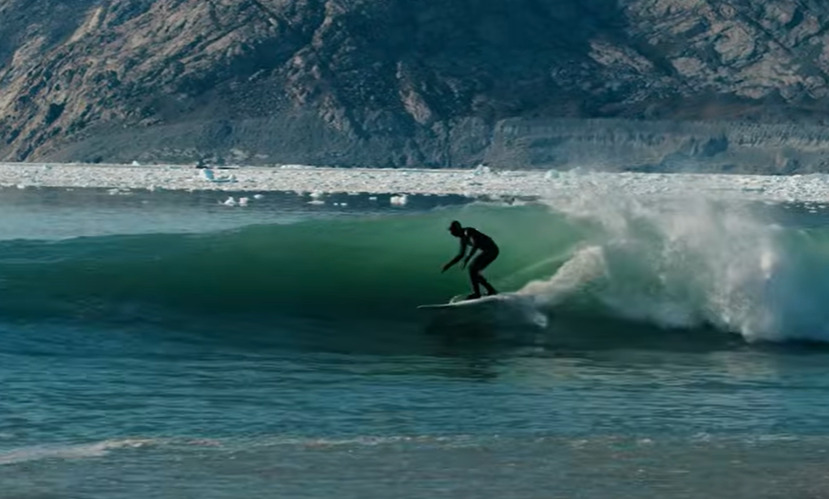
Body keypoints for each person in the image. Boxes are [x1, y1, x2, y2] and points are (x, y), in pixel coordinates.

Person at [442, 220, 499, 299]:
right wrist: (449, 265)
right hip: (488, 251)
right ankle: (490, 290)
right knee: (474, 271)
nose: (451, 233)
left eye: (452, 231)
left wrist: (468, 258)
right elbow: (461, 255)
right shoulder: (463, 239)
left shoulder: (468, 231)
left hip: (492, 250)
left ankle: (477, 293)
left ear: (457, 229)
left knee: (472, 269)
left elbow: (476, 244)